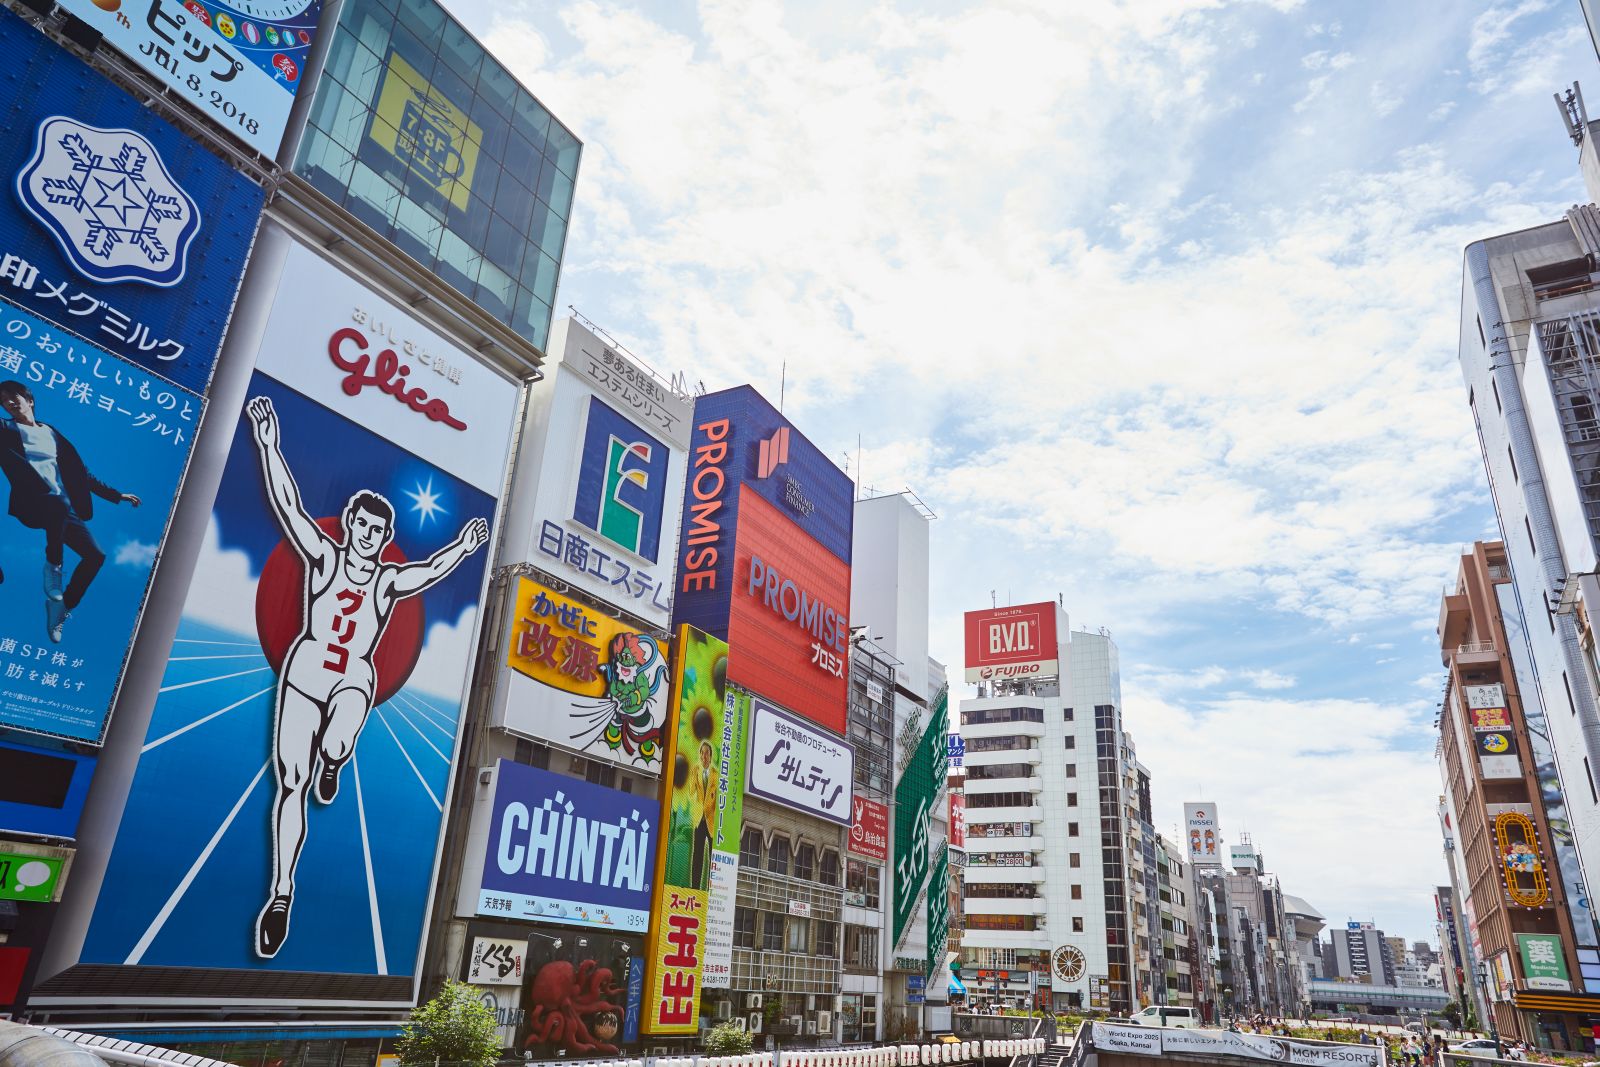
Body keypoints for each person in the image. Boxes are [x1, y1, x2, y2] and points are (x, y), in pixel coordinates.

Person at [245, 396, 487, 958]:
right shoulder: (324, 560)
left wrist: (464, 547)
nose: (371, 535)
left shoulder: (385, 581)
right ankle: (281, 895)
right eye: (364, 524)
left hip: (353, 675)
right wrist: (268, 444)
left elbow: (427, 572)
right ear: (352, 524)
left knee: (339, 735)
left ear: (383, 536)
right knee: (289, 785)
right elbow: (289, 505)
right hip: (304, 674)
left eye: (381, 530)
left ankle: (335, 758)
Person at [0, 380, 141, 642]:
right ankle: (53, 568)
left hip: (60, 507)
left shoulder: (50, 432)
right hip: (31, 503)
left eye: (13, 396)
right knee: (59, 502)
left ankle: (61, 609)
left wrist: (114, 495)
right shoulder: (4, 429)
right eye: (3, 400)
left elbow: (80, 472)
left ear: (30, 400)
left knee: (95, 556)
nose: (8, 402)